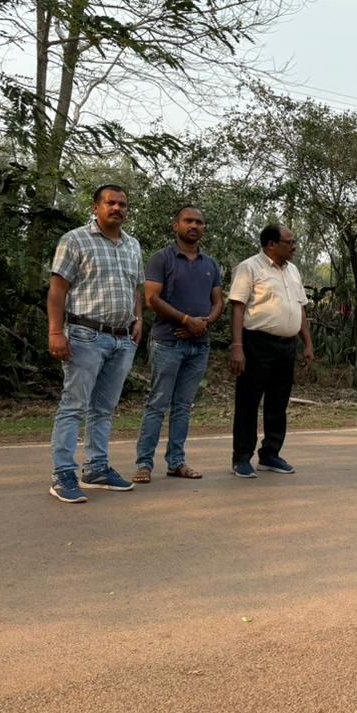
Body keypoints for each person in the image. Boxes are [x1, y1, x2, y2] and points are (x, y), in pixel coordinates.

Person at [46, 184, 145, 503]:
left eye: (123, 204)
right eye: (111, 203)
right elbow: (58, 289)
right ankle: (63, 474)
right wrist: (55, 331)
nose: (117, 208)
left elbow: (136, 288)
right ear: (96, 207)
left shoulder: (132, 245)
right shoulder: (75, 240)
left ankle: (97, 468)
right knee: (74, 405)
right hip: (85, 335)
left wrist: (138, 318)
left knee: (104, 408)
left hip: (122, 338)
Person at [132, 206, 225, 484]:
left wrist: (204, 323)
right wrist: (186, 320)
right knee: (157, 404)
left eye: (199, 222)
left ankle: (176, 462)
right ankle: (144, 464)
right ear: (176, 225)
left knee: (183, 405)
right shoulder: (162, 258)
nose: (194, 225)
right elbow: (152, 299)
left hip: (200, 345)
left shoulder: (210, 264)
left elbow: (219, 301)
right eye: (188, 221)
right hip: (168, 343)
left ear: (204, 228)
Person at [227, 224, 314, 478]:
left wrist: (307, 343)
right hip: (257, 344)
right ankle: (242, 458)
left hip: (287, 346)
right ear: (271, 245)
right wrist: (238, 347)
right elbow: (238, 308)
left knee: (278, 402)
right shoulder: (250, 268)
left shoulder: (293, 270)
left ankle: (270, 454)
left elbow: (300, 309)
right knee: (248, 402)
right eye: (289, 241)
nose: (294, 246)